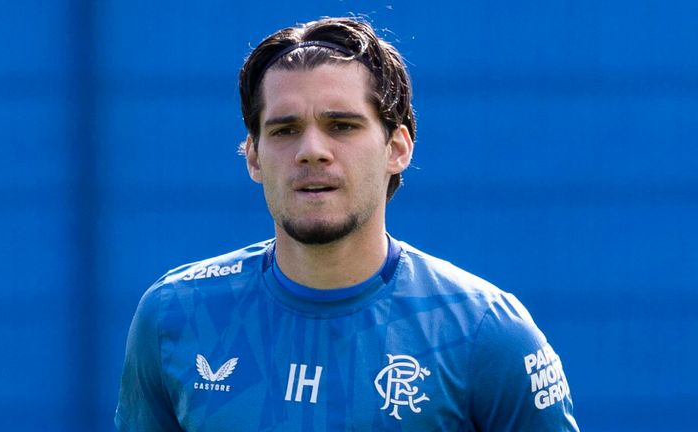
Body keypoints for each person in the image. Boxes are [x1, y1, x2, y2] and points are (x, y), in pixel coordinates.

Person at [115, 17, 579, 431]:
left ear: (397, 149)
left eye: (342, 125)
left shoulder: (485, 331)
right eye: (284, 129)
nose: (311, 150)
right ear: (254, 156)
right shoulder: (174, 314)